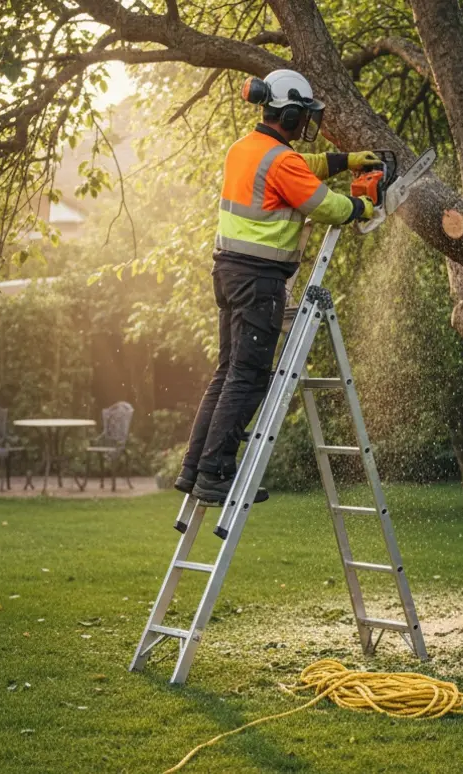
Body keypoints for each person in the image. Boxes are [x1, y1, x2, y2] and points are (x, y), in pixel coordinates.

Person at [175, 69, 379, 508]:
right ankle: (214, 472)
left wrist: (346, 161)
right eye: (302, 115)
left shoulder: (247, 150)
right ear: (287, 113)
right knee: (248, 379)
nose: (305, 123)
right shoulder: (281, 162)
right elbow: (324, 204)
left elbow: (301, 168)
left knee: (228, 373)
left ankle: (195, 467)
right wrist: (362, 205)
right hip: (259, 281)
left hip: (229, 274)